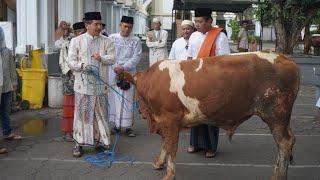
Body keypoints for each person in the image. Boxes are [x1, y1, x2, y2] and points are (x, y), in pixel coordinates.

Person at [67, 12, 115, 157]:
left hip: (101, 86)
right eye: (96, 24)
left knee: (101, 115)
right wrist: (82, 66)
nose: (99, 27)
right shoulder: (76, 41)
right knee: (83, 115)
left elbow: (112, 58)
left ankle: (100, 142)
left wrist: (101, 58)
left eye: (100, 24)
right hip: (83, 85)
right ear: (87, 25)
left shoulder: (107, 41)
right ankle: (79, 143)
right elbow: (71, 61)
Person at [187, 8, 230, 158]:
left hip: (212, 81)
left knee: (211, 114)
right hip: (195, 80)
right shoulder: (193, 36)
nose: (197, 24)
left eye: (200, 21)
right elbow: (190, 58)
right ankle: (195, 143)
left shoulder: (220, 37)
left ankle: (211, 146)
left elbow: (224, 62)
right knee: (194, 112)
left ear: (209, 21)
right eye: (196, 21)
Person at [108, 16, 142, 137]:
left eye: (129, 27)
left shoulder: (136, 40)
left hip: (128, 72)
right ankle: (116, 126)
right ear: (120, 25)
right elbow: (108, 54)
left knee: (128, 98)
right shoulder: (112, 38)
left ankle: (127, 127)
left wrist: (124, 67)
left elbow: (137, 57)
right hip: (113, 71)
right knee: (114, 98)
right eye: (125, 26)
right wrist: (116, 67)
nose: (127, 29)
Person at [59, 22, 86, 140]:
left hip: (84, 79)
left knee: (83, 106)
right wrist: (72, 72)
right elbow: (63, 62)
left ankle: (83, 132)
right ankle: (68, 131)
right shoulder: (66, 44)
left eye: (83, 31)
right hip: (70, 79)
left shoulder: (88, 43)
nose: (82, 33)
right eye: (79, 31)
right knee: (70, 106)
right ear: (75, 33)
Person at [0, 27, 21, 151]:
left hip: (6, 86)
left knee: (5, 111)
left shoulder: (6, 52)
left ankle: (7, 133)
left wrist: (14, 83)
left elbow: (12, 69)